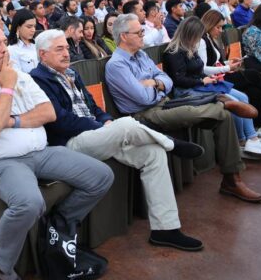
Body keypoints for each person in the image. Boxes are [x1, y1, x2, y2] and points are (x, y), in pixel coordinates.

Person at [0, 25, 113, 280]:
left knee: (101, 175)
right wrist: (7, 89)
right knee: (29, 202)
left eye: (4, 42)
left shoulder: (20, 76)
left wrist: (8, 119)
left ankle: (59, 224)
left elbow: (48, 113)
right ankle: (0, 262)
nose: (4, 49)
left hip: (39, 151)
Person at [30, 30, 203, 251]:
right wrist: (101, 126)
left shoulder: (72, 73)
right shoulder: (37, 80)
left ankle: (165, 229)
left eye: (66, 47)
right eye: (59, 49)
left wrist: (106, 121)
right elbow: (60, 121)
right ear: (43, 54)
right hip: (70, 143)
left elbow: (94, 108)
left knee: (153, 153)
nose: (66, 53)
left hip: (97, 135)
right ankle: (172, 143)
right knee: (127, 124)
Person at [105, 14, 261, 203]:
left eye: (142, 31)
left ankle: (232, 179)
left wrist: (153, 83)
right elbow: (142, 98)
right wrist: (158, 85)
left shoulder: (141, 55)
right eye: (138, 33)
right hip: (144, 115)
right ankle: (220, 101)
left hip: (165, 102)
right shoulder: (116, 65)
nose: (143, 35)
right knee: (209, 111)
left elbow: (167, 81)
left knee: (225, 117)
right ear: (124, 36)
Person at [162, 17, 261, 159]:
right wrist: (201, 81)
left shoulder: (190, 48)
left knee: (243, 97)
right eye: (197, 35)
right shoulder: (173, 52)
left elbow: (198, 70)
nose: (199, 39)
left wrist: (208, 79)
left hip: (200, 84)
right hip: (187, 90)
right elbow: (178, 79)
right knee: (233, 101)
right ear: (189, 34)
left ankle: (250, 137)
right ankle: (243, 140)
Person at [200, 10, 261, 135]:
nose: (221, 30)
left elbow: (215, 62)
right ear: (209, 25)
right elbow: (203, 68)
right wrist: (227, 68)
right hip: (217, 79)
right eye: (218, 27)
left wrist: (229, 62)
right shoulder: (202, 41)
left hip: (221, 73)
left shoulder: (210, 38)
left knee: (254, 91)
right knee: (253, 75)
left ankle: (259, 129)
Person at [7, 8, 38, 73]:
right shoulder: (12, 50)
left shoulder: (36, 44)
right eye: (29, 27)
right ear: (18, 27)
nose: (33, 30)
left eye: (34, 26)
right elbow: (17, 75)